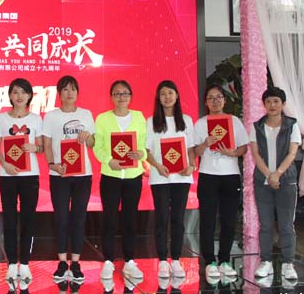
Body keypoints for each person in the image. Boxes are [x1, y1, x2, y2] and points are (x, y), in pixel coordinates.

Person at [193, 84, 249, 281]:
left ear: (224, 100)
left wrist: (233, 153)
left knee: (228, 220)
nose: (215, 101)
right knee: (207, 220)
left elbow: (244, 147)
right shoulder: (200, 124)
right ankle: (209, 262)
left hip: (230, 175)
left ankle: (224, 260)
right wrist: (205, 143)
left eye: (218, 97)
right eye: (211, 98)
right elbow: (195, 152)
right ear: (206, 103)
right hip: (208, 175)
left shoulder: (234, 121)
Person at [43, 75, 95, 283]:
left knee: (79, 219)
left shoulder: (86, 114)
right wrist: (52, 165)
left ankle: (76, 263)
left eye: (73, 89)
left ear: (77, 92)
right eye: (65, 89)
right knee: (61, 218)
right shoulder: (51, 116)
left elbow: (92, 143)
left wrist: (87, 137)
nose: (69, 92)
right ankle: (62, 262)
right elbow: (47, 146)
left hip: (83, 175)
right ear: (59, 93)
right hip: (60, 175)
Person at [94, 80, 147, 283]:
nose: (121, 97)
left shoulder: (139, 117)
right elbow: (98, 146)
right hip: (111, 176)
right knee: (109, 219)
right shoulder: (102, 119)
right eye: (117, 94)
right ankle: (108, 261)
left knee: (130, 219)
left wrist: (141, 154)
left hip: (133, 176)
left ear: (131, 96)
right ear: (111, 97)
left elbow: (144, 143)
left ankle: (129, 261)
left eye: (125, 93)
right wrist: (109, 160)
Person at [0, 78, 44, 287]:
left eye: (23, 92)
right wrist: (5, 164)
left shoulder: (36, 119)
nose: (19, 96)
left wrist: (35, 148)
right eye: (15, 92)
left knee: (28, 219)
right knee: (9, 219)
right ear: (10, 96)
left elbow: (41, 146)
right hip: (8, 175)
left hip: (30, 175)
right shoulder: (1, 119)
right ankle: (12, 263)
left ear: (30, 95)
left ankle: (25, 263)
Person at [145, 80, 196, 279]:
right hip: (160, 177)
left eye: (170, 93)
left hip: (182, 177)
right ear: (158, 98)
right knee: (161, 219)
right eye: (163, 94)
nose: (167, 97)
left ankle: (175, 259)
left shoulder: (186, 120)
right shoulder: (152, 122)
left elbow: (191, 149)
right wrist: (157, 166)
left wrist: (191, 166)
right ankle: (162, 261)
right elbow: (146, 151)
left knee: (177, 219)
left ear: (177, 96)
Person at [250, 86, 301, 280]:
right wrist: (268, 175)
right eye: (268, 101)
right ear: (264, 104)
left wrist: (277, 174)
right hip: (261, 181)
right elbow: (256, 154)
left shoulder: (292, 125)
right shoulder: (257, 126)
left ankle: (288, 263)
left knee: (286, 225)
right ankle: (266, 262)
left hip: (286, 181)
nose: (272, 105)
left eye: (276, 101)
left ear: (283, 104)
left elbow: (292, 153)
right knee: (265, 225)